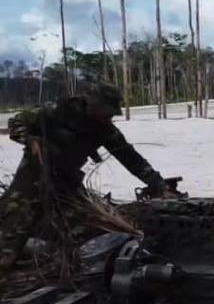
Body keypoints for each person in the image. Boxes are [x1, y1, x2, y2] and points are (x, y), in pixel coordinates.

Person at [0, 84, 170, 268]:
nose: (108, 117)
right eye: (106, 112)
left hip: (66, 181)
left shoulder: (104, 128)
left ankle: (59, 263)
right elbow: (16, 123)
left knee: (83, 227)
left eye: (111, 114)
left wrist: (159, 184)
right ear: (92, 104)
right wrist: (31, 140)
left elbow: (131, 158)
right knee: (15, 227)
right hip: (33, 176)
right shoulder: (57, 111)